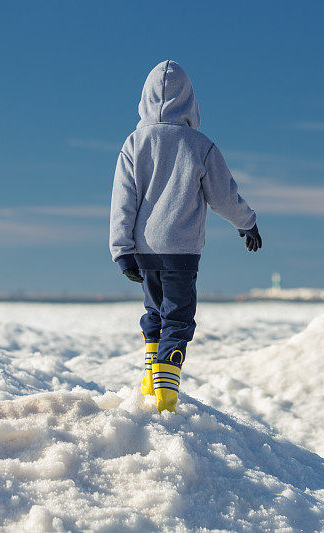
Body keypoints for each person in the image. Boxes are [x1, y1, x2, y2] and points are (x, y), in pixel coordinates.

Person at [109, 60, 261, 413]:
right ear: (191, 102)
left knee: (154, 310)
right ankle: (165, 393)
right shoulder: (199, 145)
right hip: (181, 251)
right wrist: (247, 222)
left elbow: (123, 200)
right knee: (178, 318)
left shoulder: (134, 143)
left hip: (143, 250)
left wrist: (122, 249)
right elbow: (224, 195)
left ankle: (150, 375)